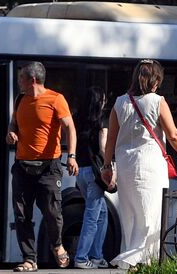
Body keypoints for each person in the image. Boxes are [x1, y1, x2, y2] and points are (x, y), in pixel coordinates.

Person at [101, 60, 177, 269]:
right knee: (151, 216)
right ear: (155, 80)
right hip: (150, 166)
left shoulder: (119, 103)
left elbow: (111, 140)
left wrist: (107, 167)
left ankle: (132, 260)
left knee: (131, 216)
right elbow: (173, 135)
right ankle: (143, 261)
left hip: (125, 167)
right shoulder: (157, 101)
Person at [6, 61, 78, 272]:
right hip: (22, 166)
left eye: (21, 78)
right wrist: (11, 133)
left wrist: (71, 156)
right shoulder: (20, 99)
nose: (18, 81)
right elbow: (13, 123)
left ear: (32, 80)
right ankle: (29, 259)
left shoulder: (56, 99)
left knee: (52, 212)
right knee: (21, 214)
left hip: (48, 167)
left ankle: (57, 245)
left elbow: (70, 129)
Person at [74, 88, 111, 269]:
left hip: (80, 172)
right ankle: (81, 258)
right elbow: (103, 149)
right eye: (103, 99)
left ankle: (97, 256)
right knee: (91, 216)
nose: (105, 102)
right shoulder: (100, 122)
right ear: (99, 102)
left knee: (101, 213)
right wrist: (110, 168)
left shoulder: (78, 120)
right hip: (94, 174)